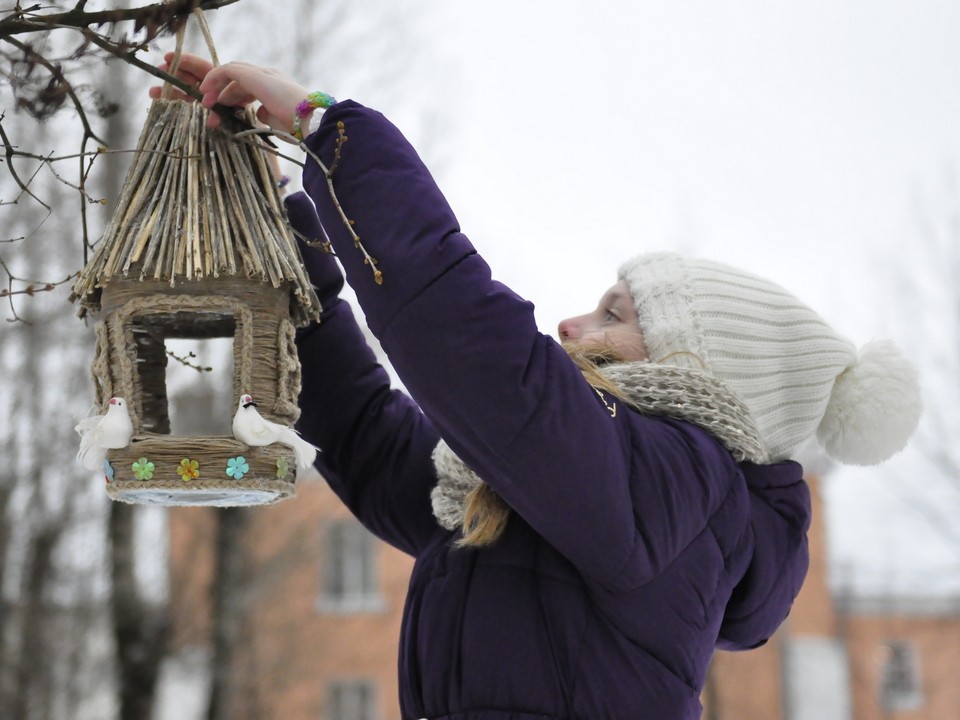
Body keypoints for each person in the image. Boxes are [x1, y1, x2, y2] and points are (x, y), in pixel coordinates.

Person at [154, 54, 922, 720]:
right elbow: (366, 434)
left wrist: (326, 130)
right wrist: (278, 224)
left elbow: (475, 353)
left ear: (698, 364)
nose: (572, 327)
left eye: (612, 315)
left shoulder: (681, 483)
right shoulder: (542, 492)